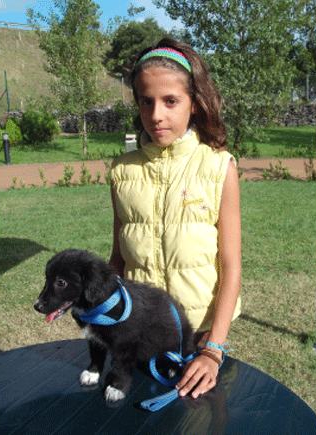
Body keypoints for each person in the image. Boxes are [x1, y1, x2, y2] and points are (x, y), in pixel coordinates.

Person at [109, 38, 241, 400]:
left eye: (170, 101)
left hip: (199, 340)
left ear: (194, 103)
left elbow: (231, 265)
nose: (156, 115)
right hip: (136, 332)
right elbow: (119, 256)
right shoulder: (122, 172)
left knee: (196, 420)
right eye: (145, 101)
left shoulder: (219, 168)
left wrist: (213, 349)